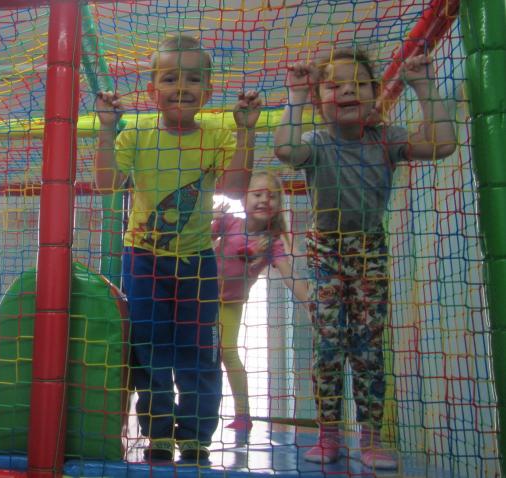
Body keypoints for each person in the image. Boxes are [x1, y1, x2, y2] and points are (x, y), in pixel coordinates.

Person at [274, 47, 456, 469]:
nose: (346, 91)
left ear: (375, 93)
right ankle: (329, 433)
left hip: (370, 249)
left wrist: (423, 86)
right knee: (328, 344)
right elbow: (284, 150)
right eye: (333, 85)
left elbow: (443, 144)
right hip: (325, 249)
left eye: (358, 84)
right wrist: (296, 96)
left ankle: (371, 437)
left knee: (368, 347)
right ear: (320, 99)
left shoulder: (386, 139)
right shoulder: (316, 143)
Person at [94, 33, 261, 462]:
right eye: (170, 79)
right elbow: (106, 184)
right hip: (143, 257)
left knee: (199, 350)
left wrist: (246, 132)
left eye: (193, 79)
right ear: (153, 91)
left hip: (197, 261)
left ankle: (194, 436)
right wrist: (108, 130)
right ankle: (159, 434)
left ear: (208, 92)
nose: (181, 87)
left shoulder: (218, 133)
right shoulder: (137, 135)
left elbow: (235, 189)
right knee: (150, 346)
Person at [212, 171, 310, 432]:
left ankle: (243, 414)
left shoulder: (272, 243)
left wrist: (310, 303)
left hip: (231, 303)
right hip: (201, 296)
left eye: (272, 196)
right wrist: (211, 216)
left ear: (278, 206)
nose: (265, 200)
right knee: (201, 353)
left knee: (227, 351)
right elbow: (199, 241)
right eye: (257, 194)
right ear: (244, 199)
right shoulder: (229, 223)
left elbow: (289, 275)